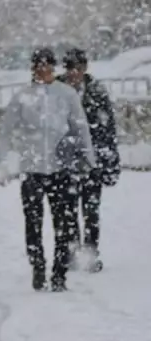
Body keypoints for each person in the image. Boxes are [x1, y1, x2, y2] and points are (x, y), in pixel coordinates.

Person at [0, 47, 96, 292]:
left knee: (64, 223)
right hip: (32, 168)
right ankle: (38, 265)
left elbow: (80, 127)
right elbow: (6, 130)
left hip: (61, 168)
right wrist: (1, 162)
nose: (42, 71)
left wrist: (88, 159)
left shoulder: (67, 94)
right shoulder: (22, 96)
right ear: (33, 68)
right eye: (38, 66)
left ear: (53, 68)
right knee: (33, 222)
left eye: (47, 66)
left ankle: (59, 273)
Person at [58, 48, 120, 273]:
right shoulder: (57, 92)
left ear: (84, 68)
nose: (74, 73)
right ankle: (73, 252)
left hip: (92, 162)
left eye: (78, 68)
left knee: (91, 210)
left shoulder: (96, 92)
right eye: (71, 68)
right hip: (65, 162)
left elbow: (108, 129)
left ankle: (90, 253)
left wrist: (110, 160)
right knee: (68, 211)